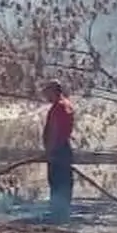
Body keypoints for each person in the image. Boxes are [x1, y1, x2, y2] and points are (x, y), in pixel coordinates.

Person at [42, 80, 75, 222]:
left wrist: (50, 150)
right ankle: (62, 212)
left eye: (47, 92)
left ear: (53, 91)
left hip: (58, 149)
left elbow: (55, 130)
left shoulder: (58, 107)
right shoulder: (67, 105)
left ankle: (58, 213)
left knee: (57, 181)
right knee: (64, 182)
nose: (45, 95)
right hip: (64, 148)